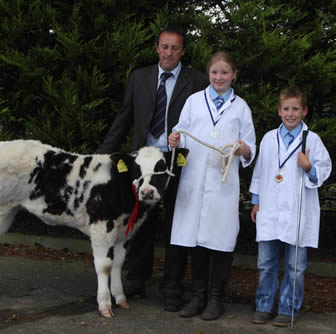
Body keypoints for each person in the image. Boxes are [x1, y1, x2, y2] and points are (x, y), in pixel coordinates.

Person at [96, 25, 208, 311]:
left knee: (176, 224)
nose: (169, 52)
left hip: (177, 162)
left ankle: (172, 286)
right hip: (142, 162)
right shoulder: (140, 77)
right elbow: (124, 117)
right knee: (139, 222)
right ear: (157, 48)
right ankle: (136, 280)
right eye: (164, 46)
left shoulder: (196, 80)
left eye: (175, 48)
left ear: (183, 51)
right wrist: (101, 155)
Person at [168, 51, 256, 320]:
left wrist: (243, 149)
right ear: (209, 74)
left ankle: (216, 298)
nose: (219, 77)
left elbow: (250, 148)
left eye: (225, 72)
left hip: (222, 183)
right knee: (195, 241)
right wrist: (174, 140)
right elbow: (182, 133)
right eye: (215, 72)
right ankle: (198, 297)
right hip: (194, 181)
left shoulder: (241, 107)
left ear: (234, 75)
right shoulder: (194, 101)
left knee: (220, 241)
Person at [249, 86, 332, 327]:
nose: (291, 113)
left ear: (304, 111)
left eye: (296, 109)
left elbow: (324, 171)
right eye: (286, 108)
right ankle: (263, 305)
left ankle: (288, 308)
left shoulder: (312, 140)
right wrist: (255, 202)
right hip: (270, 209)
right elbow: (259, 172)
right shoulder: (268, 139)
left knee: (295, 267)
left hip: (297, 211)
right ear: (279, 111)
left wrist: (308, 167)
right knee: (265, 263)